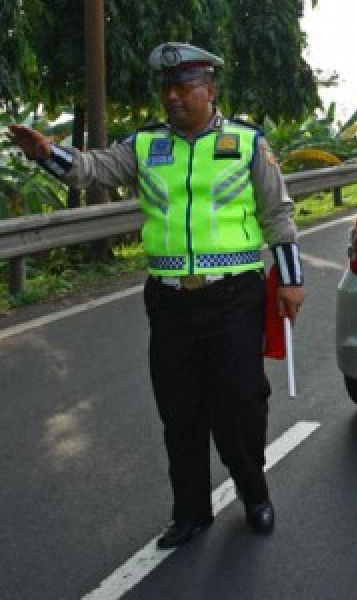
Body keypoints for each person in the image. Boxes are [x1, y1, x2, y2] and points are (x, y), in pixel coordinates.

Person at [7, 42, 305, 549]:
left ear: (210, 90)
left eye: (183, 87)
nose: (172, 97)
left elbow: (278, 214)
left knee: (240, 405)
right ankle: (190, 513)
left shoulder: (247, 143)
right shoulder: (146, 146)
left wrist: (292, 279)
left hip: (234, 297)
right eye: (166, 88)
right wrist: (44, 153)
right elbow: (91, 168)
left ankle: (254, 494)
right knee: (179, 411)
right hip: (170, 303)